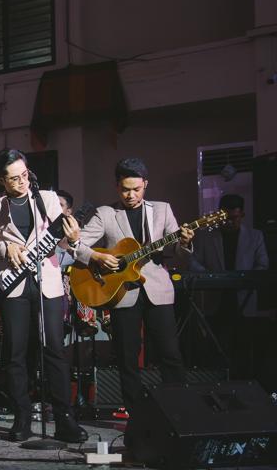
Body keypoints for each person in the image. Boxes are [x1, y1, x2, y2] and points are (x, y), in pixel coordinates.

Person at [0, 148, 87, 443]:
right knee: (16, 353)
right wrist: (4, 247)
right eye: (14, 178)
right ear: (2, 180)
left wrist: (73, 238)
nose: (22, 181)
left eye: (24, 175)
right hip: (13, 285)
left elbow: (63, 240)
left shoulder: (47, 198)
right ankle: (21, 418)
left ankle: (64, 419)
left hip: (48, 281)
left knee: (55, 350)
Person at [71, 157, 193, 417]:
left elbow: (177, 251)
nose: (131, 195)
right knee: (127, 357)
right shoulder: (105, 213)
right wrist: (97, 257)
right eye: (125, 189)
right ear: (117, 186)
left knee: (170, 353)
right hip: (122, 292)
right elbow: (75, 246)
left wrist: (184, 242)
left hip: (157, 290)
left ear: (145, 184)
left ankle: (180, 411)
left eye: (137, 189)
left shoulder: (163, 210)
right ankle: (136, 415)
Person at [191, 194, 269, 376]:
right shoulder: (206, 237)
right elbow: (193, 261)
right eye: (225, 218)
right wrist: (210, 277)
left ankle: (244, 382)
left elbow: (263, 265)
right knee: (215, 347)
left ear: (242, 215)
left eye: (234, 218)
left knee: (243, 348)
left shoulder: (255, 236)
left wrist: (245, 279)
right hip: (215, 300)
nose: (229, 222)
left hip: (244, 299)